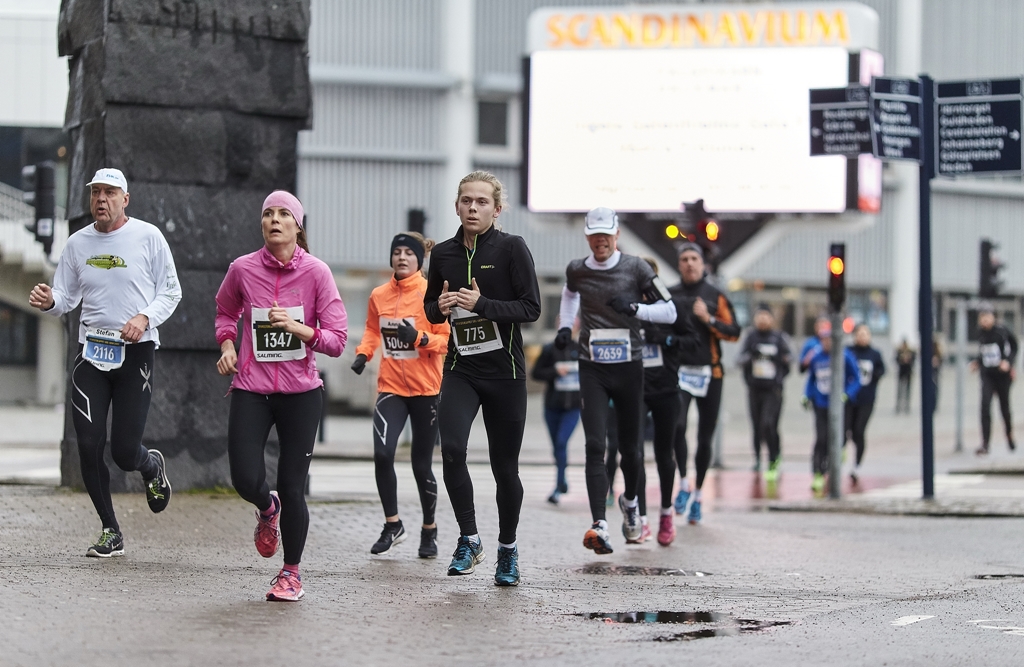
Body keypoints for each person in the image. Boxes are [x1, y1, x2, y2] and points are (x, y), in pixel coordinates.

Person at [28, 168, 180, 558]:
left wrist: (144, 317)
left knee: (125, 452)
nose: (101, 199)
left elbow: (171, 291)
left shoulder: (148, 237)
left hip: (136, 354)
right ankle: (110, 529)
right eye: (96, 192)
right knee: (88, 444)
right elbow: (65, 297)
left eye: (110, 193)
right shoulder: (78, 243)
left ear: (125, 199)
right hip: (91, 356)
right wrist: (50, 301)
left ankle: (150, 466)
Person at [215, 190, 348, 601]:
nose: (274, 220)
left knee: (293, 486)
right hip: (251, 389)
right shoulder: (242, 269)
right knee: (244, 479)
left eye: (283, 214)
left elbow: (337, 340)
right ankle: (266, 508)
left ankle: (291, 574)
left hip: (301, 394)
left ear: (297, 226)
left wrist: (299, 329)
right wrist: (227, 345)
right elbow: (226, 312)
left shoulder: (317, 273)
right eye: (268, 214)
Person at [424, 171, 541, 586]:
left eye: (482, 202)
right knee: (452, 449)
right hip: (462, 370)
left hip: (505, 374)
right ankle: (469, 539)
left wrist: (483, 304)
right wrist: (439, 307)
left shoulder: (512, 248)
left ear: (497, 209)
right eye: (466, 201)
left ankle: (507, 549)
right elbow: (430, 308)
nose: (473, 208)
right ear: (457, 205)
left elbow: (531, 308)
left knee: (504, 468)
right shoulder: (443, 254)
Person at [556, 207, 667, 554]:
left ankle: (631, 503)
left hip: (629, 367)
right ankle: (599, 524)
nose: (600, 241)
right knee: (595, 445)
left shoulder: (637, 268)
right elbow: (569, 293)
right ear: (587, 236)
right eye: (594, 235)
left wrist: (635, 309)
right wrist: (565, 326)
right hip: (592, 366)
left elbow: (669, 309)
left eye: (606, 234)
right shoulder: (577, 268)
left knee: (631, 450)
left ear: (617, 234)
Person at [614, 243, 739, 526]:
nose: (689, 263)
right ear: (678, 264)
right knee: (677, 427)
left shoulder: (715, 295)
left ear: (703, 264)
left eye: (694, 258)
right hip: (679, 373)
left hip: (710, 372)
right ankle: (683, 483)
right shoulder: (668, 294)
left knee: (705, 437)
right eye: (684, 259)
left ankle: (698, 495)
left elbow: (734, 332)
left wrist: (708, 319)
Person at [350, 232, 449, 558]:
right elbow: (372, 329)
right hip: (391, 387)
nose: (402, 257)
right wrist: (364, 353)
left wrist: (418, 337)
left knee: (422, 465)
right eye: (397, 252)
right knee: (382, 454)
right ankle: (393, 524)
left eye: (409, 252)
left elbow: (446, 341)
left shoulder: (431, 294)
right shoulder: (379, 294)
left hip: (426, 390)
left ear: (420, 259)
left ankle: (429, 530)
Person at [802, 324, 860, 494]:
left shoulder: (845, 356)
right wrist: (807, 395)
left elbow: (856, 379)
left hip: (840, 406)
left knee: (840, 437)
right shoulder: (816, 357)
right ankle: (818, 473)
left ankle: (833, 460)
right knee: (821, 438)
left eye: (830, 339)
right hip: (820, 404)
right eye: (824, 340)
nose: (827, 343)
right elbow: (811, 378)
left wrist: (847, 394)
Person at [736, 304, 791, 482]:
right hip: (754, 389)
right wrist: (751, 357)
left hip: (773, 390)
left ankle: (774, 457)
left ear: (772, 319)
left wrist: (779, 364)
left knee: (769, 424)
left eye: (766, 316)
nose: (763, 320)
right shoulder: (751, 337)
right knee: (757, 425)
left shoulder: (779, 338)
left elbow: (790, 359)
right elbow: (739, 360)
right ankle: (758, 458)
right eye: (759, 316)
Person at [531, 327, 581, 505]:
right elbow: (535, 373)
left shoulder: (581, 349)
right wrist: (555, 371)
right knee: (557, 447)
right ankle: (562, 479)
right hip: (552, 407)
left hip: (573, 408)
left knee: (561, 442)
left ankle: (558, 486)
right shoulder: (549, 349)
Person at [971, 304, 1018, 455]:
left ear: (992, 317)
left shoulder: (1001, 331)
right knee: (985, 406)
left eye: (987, 317)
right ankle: (985, 443)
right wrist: (977, 362)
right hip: (987, 375)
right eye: (982, 318)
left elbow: (1014, 346)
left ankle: (1009, 435)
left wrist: (1008, 362)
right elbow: (984, 352)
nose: (984, 321)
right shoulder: (980, 333)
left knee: (1004, 408)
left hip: (1002, 375)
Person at [846, 324, 885, 483]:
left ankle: (857, 464)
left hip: (867, 399)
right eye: (859, 334)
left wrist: (876, 375)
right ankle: (839, 457)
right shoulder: (848, 352)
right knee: (846, 429)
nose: (862, 337)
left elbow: (881, 370)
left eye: (865, 334)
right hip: (849, 398)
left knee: (859, 431)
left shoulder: (874, 354)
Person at [895, 339, 916, 413]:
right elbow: (896, 360)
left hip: (908, 372)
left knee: (907, 390)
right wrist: (902, 360)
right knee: (900, 390)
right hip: (902, 372)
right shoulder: (899, 351)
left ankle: (907, 405)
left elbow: (913, 360)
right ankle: (898, 405)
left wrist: (908, 360)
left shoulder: (911, 352)